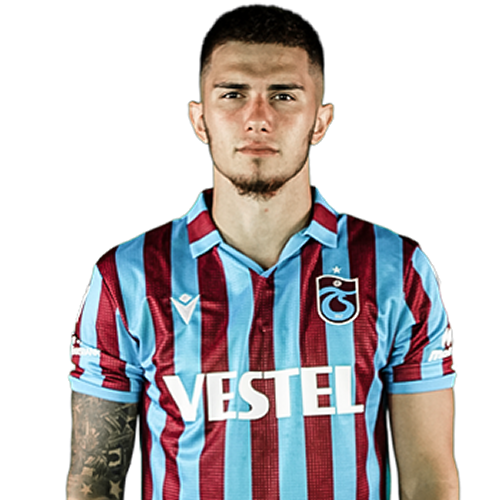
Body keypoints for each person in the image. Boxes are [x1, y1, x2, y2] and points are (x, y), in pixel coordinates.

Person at [66, 4, 459, 500]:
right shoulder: (127, 277)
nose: (257, 119)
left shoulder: (396, 270)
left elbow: (428, 478)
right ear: (199, 119)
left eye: (283, 95)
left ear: (320, 121)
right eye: (233, 94)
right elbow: (93, 484)